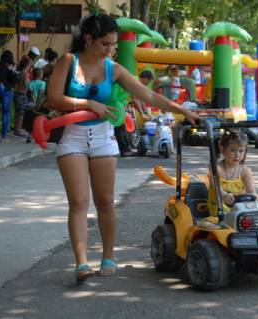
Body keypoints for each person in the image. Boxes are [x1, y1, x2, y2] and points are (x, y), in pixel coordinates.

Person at [47, 13, 198, 282]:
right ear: (89, 39)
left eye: (114, 45)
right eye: (105, 44)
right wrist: (86, 104)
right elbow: (54, 98)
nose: (111, 50)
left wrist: (182, 111)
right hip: (73, 137)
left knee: (105, 202)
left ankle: (108, 256)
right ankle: (82, 263)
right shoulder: (69, 62)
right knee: (78, 202)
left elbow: (148, 94)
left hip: (104, 137)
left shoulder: (113, 69)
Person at [208, 131, 256, 216]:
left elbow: (251, 191)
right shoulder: (216, 168)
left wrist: (252, 196)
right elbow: (215, 186)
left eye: (241, 151)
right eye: (233, 150)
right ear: (223, 149)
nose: (237, 155)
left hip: (238, 208)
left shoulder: (245, 171)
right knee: (230, 215)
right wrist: (224, 196)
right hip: (219, 207)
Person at [115, 70, 155, 156]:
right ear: (145, 79)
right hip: (116, 103)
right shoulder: (135, 82)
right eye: (149, 81)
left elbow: (141, 100)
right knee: (121, 126)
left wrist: (146, 112)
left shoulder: (135, 80)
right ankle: (125, 150)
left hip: (119, 102)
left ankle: (125, 148)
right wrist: (143, 114)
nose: (148, 83)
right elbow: (136, 100)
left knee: (120, 127)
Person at [0, 50, 18, 143]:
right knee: (5, 114)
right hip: (7, 91)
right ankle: (3, 137)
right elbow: (14, 82)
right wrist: (13, 71)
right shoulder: (10, 68)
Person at [13, 57, 32, 137]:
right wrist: (30, 88)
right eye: (29, 65)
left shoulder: (20, 72)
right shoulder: (25, 73)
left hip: (17, 93)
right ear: (27, 65)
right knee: (21, 112)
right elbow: (26, 84)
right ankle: (17, 130)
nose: (30, 67)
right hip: (21, 94)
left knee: (19, 112)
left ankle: (17, 128)